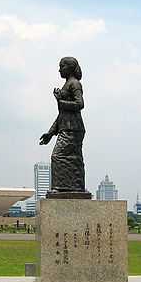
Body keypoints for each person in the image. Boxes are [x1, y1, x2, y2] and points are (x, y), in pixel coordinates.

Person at [39, 57, 87, 194]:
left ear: (70, 68)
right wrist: (50, 133)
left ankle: (64, 187)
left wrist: (60, 100)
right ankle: (74, 187)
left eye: (62, 66)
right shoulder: (66, 85)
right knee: (74, 157)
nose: (59, 69)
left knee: (58, 156)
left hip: (73, 128)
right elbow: (62, 115)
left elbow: (80, 104)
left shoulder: (75, 84)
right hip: (67, 126)